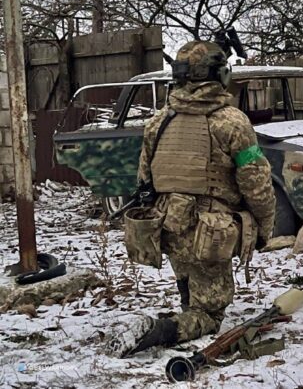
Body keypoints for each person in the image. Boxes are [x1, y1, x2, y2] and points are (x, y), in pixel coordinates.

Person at [109, 40, 276, 357]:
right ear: (219, 74)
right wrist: (265, 225)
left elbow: (144, 179)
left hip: (169, 226)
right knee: (210, 316)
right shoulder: (233, 122)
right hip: (210, 234)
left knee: (189, 285)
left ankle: (185, 307)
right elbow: (256, 182)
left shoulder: (158, 121)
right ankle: (158, 330)